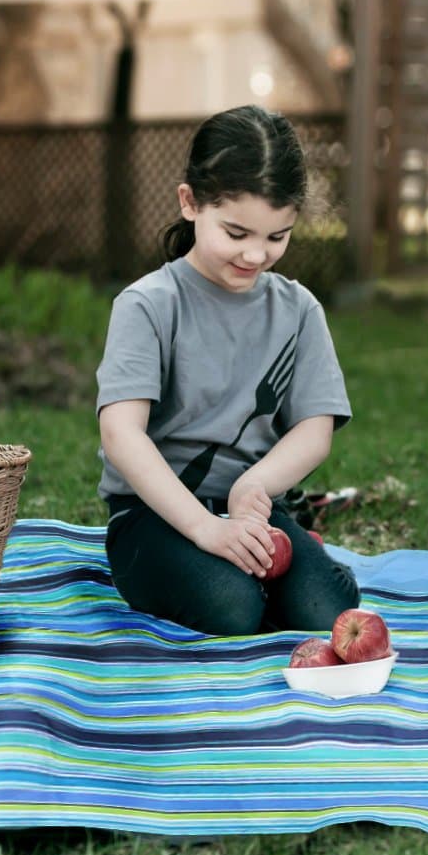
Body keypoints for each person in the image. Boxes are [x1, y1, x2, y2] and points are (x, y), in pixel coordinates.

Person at [94, 104, 360, 636]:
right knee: (231, 606)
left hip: (255, 511)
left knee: (324, 613)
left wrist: (253, 489)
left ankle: (297, 555)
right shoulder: (148, 305)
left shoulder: (298, 310)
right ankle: (245, 579)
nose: (256, 254)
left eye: (277, 236)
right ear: (190, 202)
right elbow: (122, 434)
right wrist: (204, 530)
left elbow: (315, 429)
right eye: (237, 233)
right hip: (154, 517)